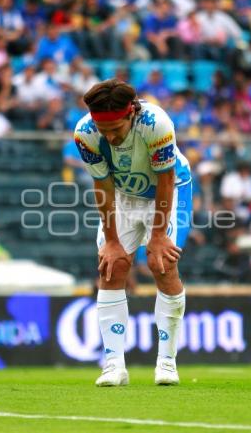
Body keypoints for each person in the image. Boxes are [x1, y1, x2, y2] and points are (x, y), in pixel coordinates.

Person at [75, 79, 192, 386]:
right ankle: (114, 365)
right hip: (124, 195)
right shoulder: (85, 134)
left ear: (131, 114)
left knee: (161, 264)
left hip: (167, 191)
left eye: (116, 128)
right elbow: (102, 185)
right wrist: (112, 242)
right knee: (112, 267)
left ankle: (167, 362)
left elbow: (165, 178)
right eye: (105, 130)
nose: (111, 137)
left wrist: (157, 237)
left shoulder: (156, 124)